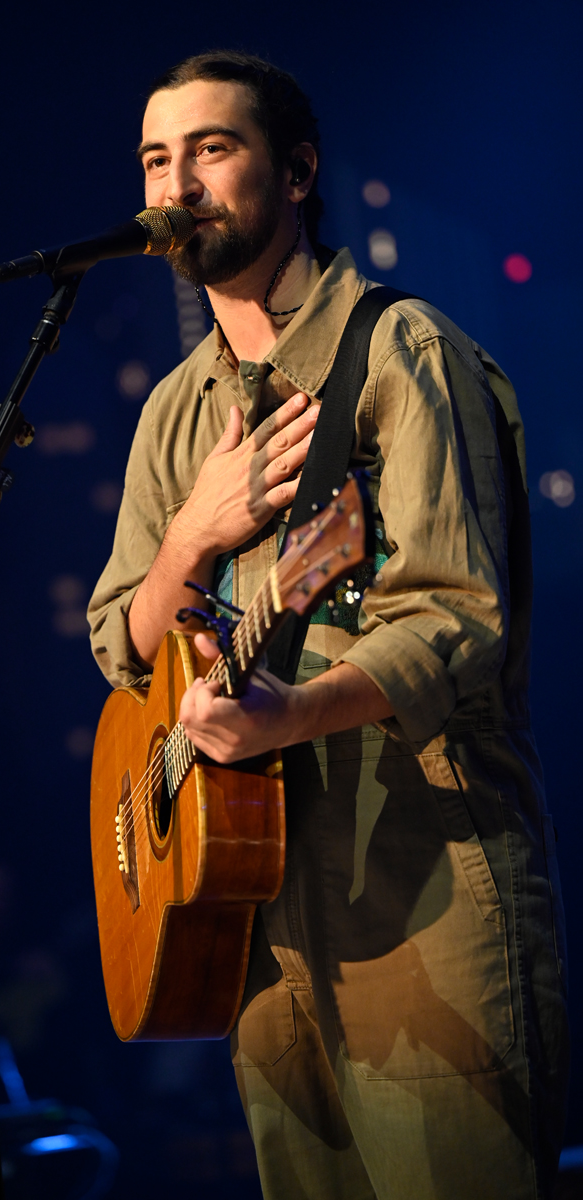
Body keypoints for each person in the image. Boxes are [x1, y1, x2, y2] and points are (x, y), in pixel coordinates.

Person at [87, 50, 569, 1200]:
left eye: (213, 148)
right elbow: (122, 640)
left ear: (296, 170)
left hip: (421, 873)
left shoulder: (403, 353)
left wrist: (289, 711)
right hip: (248, 909)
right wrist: (192, 539)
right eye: (159, 157)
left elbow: (456, 615)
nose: (179, 180)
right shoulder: (173, 413)